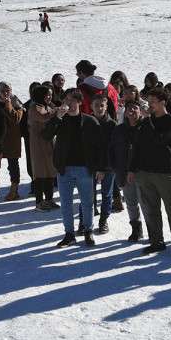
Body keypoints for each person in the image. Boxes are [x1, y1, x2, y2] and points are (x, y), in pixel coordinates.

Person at [128, 88, 171, 255]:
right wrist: (132, 169)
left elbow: (160, 139)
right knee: (151, 210)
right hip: (145, 172)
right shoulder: (145, 122)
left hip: (165, 173)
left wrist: (148, 121)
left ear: (163, 102)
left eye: (153, 102)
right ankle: (157, 241)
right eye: (149, 102)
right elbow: (137, 147)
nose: (150, 105)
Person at [44, 89, 102, 247]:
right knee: (66, 204)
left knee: (87, 203)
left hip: (85, 169)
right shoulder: (60, 120)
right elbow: (46, 135)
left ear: (79, 102)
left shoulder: (90, 121)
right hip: (64, 169)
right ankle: (69, 234)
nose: (68, 103)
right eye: (66, 100)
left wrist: (99, 168)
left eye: (71, 100)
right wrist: (57, 117)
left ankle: (88, 231)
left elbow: (99, 147)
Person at [109, 100, 146, 242]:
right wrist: (115, 167)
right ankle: (136, 229)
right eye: (129, 109)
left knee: (146, 203)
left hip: (143, 172)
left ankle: (152, 229)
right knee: (131, 202)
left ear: (140, 111)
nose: (131, 111)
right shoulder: (119, 129)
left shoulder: (146, 127)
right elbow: (111, 149)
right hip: (124, 171)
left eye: (135, 108)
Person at [27, 84, 58, 210]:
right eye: (47, 95)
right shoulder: (34, 107)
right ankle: (39, 202)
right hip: (38, 143)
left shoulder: (49, 106)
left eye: (51, 94)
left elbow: (54, 111)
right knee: (40, 172)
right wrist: (57, 113)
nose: (49, 97)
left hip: (49, 141)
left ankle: (49, 199)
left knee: (50, 171)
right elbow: (44, 117)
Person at [89, 95, 117, 234]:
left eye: (102, 105)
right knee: (88, 194)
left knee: (106, 194)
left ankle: (103, 221)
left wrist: (103, 168)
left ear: (106, 107)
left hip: (108, 166)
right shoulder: (87, 122)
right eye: (96, 105)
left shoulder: (112, 124)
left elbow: (111, 149)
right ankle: (85, 222)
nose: (99, 108)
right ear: (91, 106)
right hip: (90, 166)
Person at [0, 82, 25, 201]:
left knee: (13, 165)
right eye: (3, 91)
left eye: (8, 90)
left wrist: (9, 104)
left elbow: (15, 119)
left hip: (11, 139)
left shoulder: (16, 103)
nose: (6, 93)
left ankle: (14, 190)